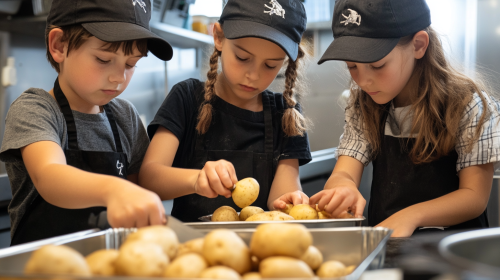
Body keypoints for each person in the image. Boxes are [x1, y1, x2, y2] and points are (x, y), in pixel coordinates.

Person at [312, 0, 500, 237]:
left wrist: (411, 215)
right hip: (390, 251)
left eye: (377, 65)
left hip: (456, 255)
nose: (363, 81)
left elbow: (474, 197)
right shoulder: (364, 106)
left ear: (418, 45)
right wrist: (343, 187)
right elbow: (344, 171)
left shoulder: (468, 105)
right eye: (352, 66)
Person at [0, 0, 173, 245]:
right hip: (45, 267)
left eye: (131, 64)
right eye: (104, 59)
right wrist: (114, 190)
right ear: (59, 45)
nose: (119, 77)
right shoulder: (35, 109)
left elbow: (139, 190)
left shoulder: (126, 117)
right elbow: (50, 176)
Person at [140, 0, 312, 222]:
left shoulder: (286, 115)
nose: (254, 75)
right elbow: (149, 178)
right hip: (191, 249)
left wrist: (289, 201)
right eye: (242, 58)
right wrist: (197, 179)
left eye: (270, 65)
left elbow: (281, 197)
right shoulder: (186, 98)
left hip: (258, 248)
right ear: (219, 37)